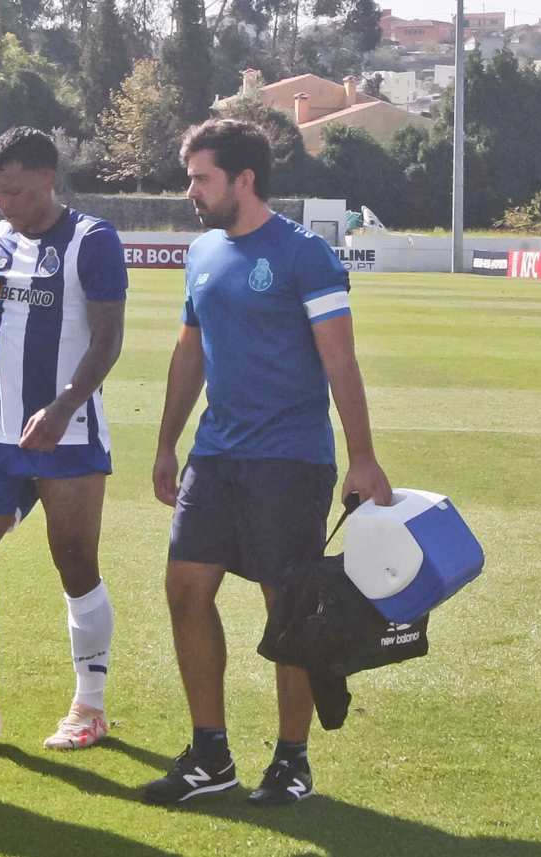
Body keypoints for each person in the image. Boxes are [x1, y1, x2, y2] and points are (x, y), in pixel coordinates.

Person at [142, 119, 392, 806]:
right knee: (185, 588)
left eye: (201, 178)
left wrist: (363, 456)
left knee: (289, 610)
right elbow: (190, 351)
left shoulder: (304, 255)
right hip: (215, 454)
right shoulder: (200, 252)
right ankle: (210, 755)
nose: (191, 190)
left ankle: (291, 760)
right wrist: (168, 441)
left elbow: (340, 358)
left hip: (289, 458)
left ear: (243, 180)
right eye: (191, 177)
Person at [0, 126, 128, 752]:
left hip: (67, 434)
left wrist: (64, 407)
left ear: (47, 180)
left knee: (75, 563)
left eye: (14, 191)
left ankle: (89, 708)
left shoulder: (93, 240)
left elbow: (107, 339)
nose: (4, 205)